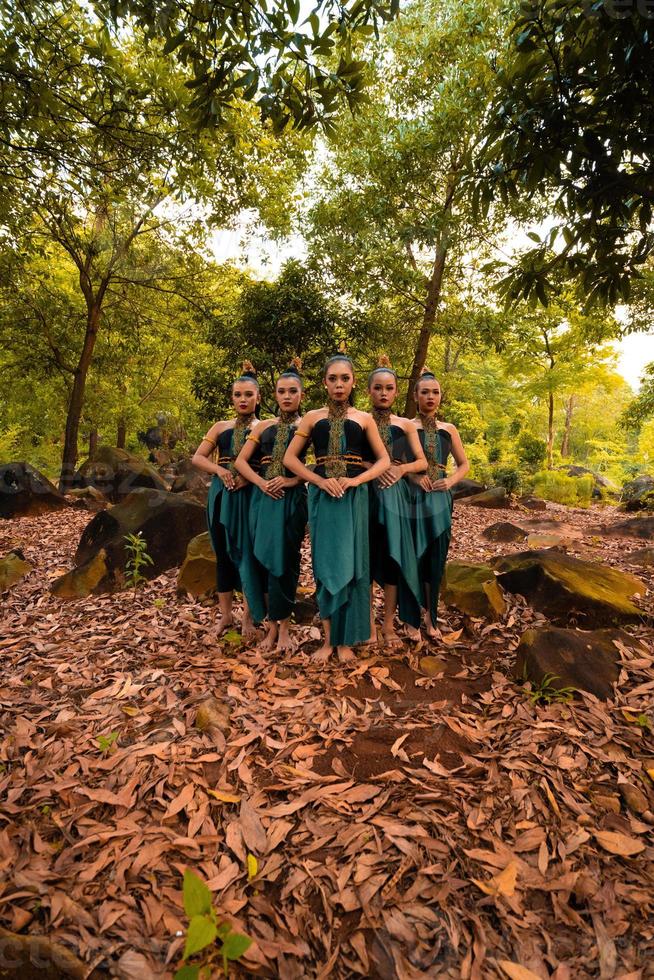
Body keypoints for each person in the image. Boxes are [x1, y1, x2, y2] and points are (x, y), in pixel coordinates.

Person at [283, 352, 390, 661]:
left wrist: (358, 481)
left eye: (345, 379)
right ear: (324, 383)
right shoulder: (312, 418)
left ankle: (345, 642)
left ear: (354, 382)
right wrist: (317, 481)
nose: (339, 384)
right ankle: (328, 642)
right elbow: (290, 459)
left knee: (355, 566)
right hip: (323, 499)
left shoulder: (364, 419)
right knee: (326, 564)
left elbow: (384, 460)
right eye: (333, 379)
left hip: (355, 499)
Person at [234, 358, 308, 653]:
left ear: (301, 394)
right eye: (281, 391)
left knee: (286, 563)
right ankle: (270, 627)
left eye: (293, 391)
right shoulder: (264, 425)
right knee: (262, 559)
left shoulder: (310, 424)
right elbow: (240, 460)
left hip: (292, 501)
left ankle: (285, 630)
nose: (287, 396)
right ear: (274, 395)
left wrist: (292, 482)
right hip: (262, 500)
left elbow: (318, 463)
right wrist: (261, 482)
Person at [192, 361, 261, 639]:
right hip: (222, 495)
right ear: (232, 398)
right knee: (223, 555)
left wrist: (251, 476)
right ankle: (225, 616)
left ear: (259, 397)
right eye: (237, 395)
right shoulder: (221, 427)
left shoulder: (265, 427)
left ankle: (249, 616)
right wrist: (220, 469)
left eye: (248, 395)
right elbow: (197, 457)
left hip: (250, 496)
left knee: (249, 554)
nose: (242, 400)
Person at [367, 355, 428, 645]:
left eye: (389, 388)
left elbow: (421, 462)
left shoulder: (404, 424)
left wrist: (399, 468)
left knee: (393, 560)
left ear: (396, 391)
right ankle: (367, 624)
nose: (383, 393)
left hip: (395, 496)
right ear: (369, 391)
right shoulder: (359, 421)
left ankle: (389, 624)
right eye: (377, 388)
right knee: (365, 559)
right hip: (364, 495)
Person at [409, 368, 469, 638]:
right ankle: (410, 620)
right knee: (413, 558)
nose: (430, 397)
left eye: (435, 392)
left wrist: (452, 480)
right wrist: (413, 476)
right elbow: (395, 464)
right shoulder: (406, 426)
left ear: (441, 397)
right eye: (425, 392)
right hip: (411, 500)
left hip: (441, 499)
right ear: (416, 395)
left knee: (436, 558)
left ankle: (431, 618)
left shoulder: (449, 429)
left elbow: (464, 464)